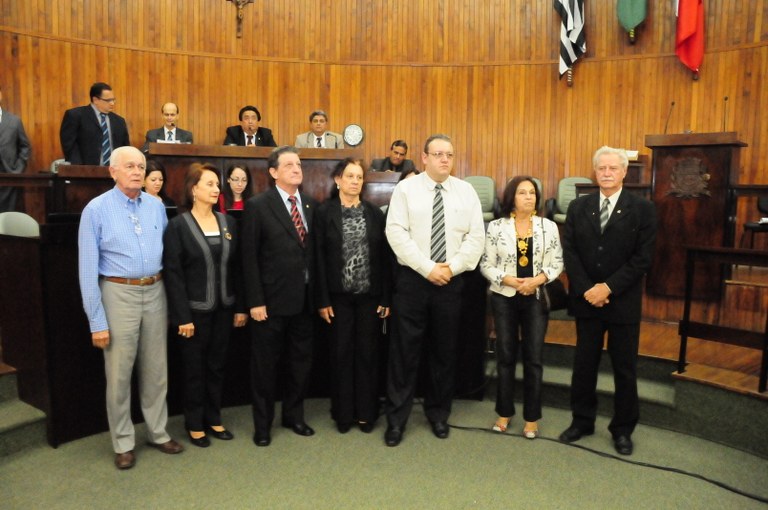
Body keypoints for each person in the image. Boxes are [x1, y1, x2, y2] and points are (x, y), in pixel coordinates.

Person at [77, 146, 183, 470]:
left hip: (156, 291)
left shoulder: (155, 206)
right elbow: (86, 269)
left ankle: (158, 432)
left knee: (156, 369)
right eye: (129, 166)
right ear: (113, 172)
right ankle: (123, 442)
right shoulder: (95, 210)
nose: (137, 171)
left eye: (140, 166)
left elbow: (170, 255)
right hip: (117, 293)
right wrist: (97, 321)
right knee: (119, 373)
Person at [383, 134, 485, 446]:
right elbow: (396, 233)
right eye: (438, 154)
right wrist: (427, 268)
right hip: (413, 280)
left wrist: (449, 269)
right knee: (404, 353)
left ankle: (438, 414)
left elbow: (476, 238)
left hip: (451, 282)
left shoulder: (466, 192)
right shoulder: (406, 189)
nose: (444, 159)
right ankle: (396, 420)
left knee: (444, 352)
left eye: (449, 155)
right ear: (424, 157)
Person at [558, 146, 657, 456]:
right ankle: (582, 421)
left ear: (624, 172)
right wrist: (589, 289)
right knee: (584, 365)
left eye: (613, 168)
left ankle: (623, 429)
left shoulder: (643, 209)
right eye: (601, 168)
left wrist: (608, 288)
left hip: (622, 301)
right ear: (595, 171)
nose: (607, 173)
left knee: (624, 368)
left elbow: (643, 259)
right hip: (587, 299)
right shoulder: (578, 207)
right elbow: (570, 253)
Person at [163, 163, 248, 448]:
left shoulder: (228, 224)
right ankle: (194, 423)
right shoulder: (178, 226)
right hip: (193, 314)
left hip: (224, 309)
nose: (216, 189)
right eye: (209, 184)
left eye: (217, 185)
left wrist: (240, 307)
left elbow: (237, 269)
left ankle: (214, 418)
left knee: (217, 367)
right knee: (194, 370)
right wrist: (182, 317)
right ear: (193, 189)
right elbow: (173, 275)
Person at [241, 146, 317, 447]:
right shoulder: (258, 206)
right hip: (269, 304)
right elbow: (248, 258)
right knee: (265, 368)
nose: (296, 168)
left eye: (298, 164)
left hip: (304, 302)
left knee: (300, 363)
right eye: (289, 165)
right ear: (273, 172)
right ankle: (263, 425)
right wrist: (255, 301)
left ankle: (294, 416)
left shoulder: (310, 205)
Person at [480, 176, 563, 439]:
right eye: (522, 192)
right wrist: (507, 279)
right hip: (504, 295)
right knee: (505, 356)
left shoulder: (548, 226)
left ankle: (531, 417)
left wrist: (537, 280)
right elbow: (485, 264)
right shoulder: (496, 227)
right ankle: (504, 412)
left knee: (534, 358)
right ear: (511, 198)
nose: (529, 197)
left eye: (532, 193)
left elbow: (557, 262)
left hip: (535, 296)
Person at [315, 158, 391, 434]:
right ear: (338, 180)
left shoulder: (374, 213)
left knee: (368, 356)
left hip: (370, 297)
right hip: (338, 299)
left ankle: (366, 413)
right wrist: (322, 299)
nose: (355, 181)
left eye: (359, 177)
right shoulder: (324, 213)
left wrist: (385, 298)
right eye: (350, 176)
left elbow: (384, 258)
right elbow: (318, 260)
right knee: (341, 355)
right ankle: (343, 413)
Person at [60, 82, 130, 165]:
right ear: (95, 100)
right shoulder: (75, 115)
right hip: (85, 172)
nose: (112, 103)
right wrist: (79, 169)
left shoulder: (119, 121)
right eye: (108, 100)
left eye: (113, 99)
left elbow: (125, 148)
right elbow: (69, 146)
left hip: (114, 172)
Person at [0, 86, 31, 212]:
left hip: (9, 176)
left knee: (6, 217)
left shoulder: (14, 121)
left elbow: (25, 146)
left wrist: (17, 169)